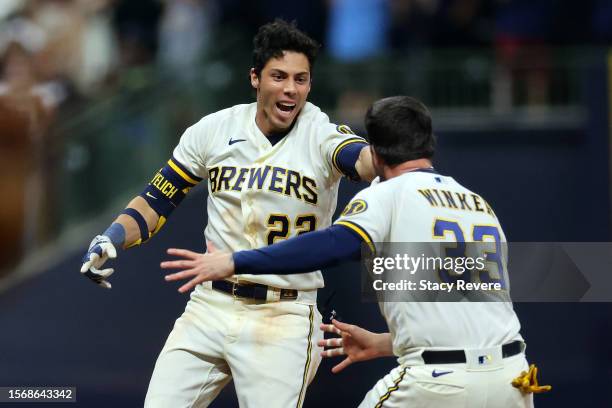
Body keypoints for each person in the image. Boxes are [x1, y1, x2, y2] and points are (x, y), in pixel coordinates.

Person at [162, 96, 551, 407]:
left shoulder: (387, 193)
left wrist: (233, 260)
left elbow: (332, 245)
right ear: (429, 144)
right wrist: (386, 342)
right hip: (512, 379)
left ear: (376, 156)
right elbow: (469, 308)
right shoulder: (477, 204)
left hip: (436, 383)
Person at [79, 19, 374, 407]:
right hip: (209, 306)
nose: (290, 89)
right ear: (255, 77)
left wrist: (385, 155)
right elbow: (157, 199)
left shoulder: (320, 132)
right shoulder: (215, 129)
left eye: (301, 79)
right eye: (279, 76)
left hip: (282, 313)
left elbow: (362, 162)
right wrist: (111, 237)